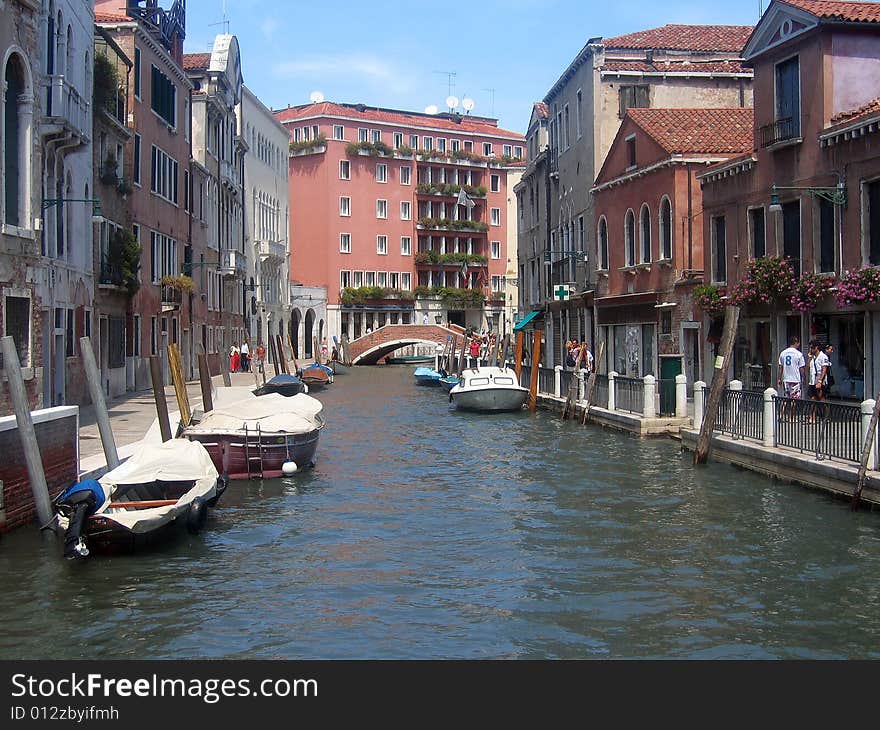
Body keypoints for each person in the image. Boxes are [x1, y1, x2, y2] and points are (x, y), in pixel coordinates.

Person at [777, 335, 805, 402]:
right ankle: (791, 412)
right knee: (794, 399)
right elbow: (801, 368)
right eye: (798, 343)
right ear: (796, 343)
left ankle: (782, 412)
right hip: (795, 379)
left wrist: (779, 378)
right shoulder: (799, 354)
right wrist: (804, 377)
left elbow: (781, 367)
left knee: (786, 398)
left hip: (786, 379)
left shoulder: (783, 353)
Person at [808, 339, 830, 421]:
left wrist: (820, 381)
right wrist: (809, 358)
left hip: (820, 381)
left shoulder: (823, 356)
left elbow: (824, 370)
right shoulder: (813, 357)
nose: (811, 349)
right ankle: (812, 417)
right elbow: (809, 367)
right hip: (812, 381)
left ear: (816, 347)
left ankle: (826, 415)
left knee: (821, 399)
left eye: (812, 348)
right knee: (813, 399)